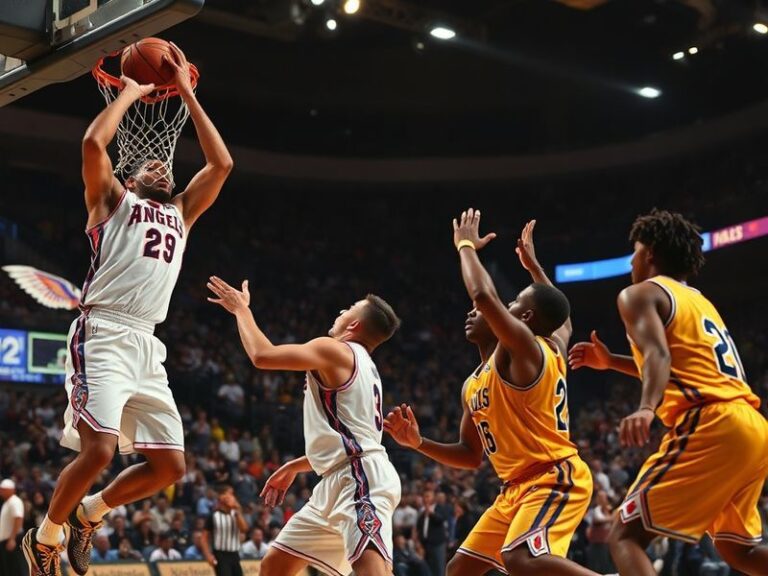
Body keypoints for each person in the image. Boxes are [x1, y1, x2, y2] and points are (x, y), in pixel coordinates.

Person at [22, 42, 234, 576]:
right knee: (97, 451)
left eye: (166, 165)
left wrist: (185, 92)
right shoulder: (112, 202)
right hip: (104, 332)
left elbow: (222, 163)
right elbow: (94, 141)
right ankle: (44, 536)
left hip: (147, 343)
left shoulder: (182, 212)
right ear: (130, 176)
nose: (161, 165)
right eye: (150, 164)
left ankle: (90, 513)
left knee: (171, 466)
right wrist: (132, 92)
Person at [386, 214, 600, 576]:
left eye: (512, 304)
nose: (474, 312)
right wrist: (418, 442)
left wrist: (465, 245)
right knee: (458, 571)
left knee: (522, 560)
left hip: (552, 476)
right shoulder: (475, 382)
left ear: (524, 318)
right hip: (513, 489)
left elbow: (483, 295)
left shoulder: (529, 350)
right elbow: (470, 455)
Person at [568, 209, 768, 576]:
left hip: (712, 422)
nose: (631, 260)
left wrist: (646, 407)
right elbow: (678, 363)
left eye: (635, 250)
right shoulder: (699, 301)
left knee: (625, 535)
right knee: (741, 552)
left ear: (651, 254)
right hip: (751, 426)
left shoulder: (638, 294)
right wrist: (613, 361)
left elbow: (659, 354)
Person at [207, 277, 401, 576]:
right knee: (275, 565)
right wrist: (294, 466)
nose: (341, 310)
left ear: (355, 326)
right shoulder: (366, 367)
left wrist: (241, 311)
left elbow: (262, 356)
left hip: (359, 479)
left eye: (350, 308)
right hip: (341, 478)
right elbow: (348, 441)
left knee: (372, 572)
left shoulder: (335, 350)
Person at [200, 486, 248, 576]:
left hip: (235, 554)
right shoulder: (213, 515)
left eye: (232, 494)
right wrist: (208, 555)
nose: (232, 497)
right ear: (221, 497)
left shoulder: (236, 514)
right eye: (229, 494)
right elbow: (203, 538)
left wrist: (237, 511)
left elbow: (244, 529)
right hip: (220, 555)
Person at [0, 479, 24, 576]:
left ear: (11, 490)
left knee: (14, 567)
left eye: (3, 489)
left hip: (12, 539)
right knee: (8, 568)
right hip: (7, 540)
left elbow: (18, 518)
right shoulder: (7, 502)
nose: (1, 491)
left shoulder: (14, 501)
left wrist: (12, 539)